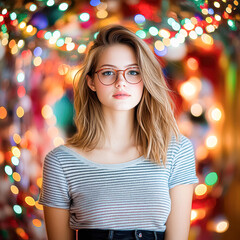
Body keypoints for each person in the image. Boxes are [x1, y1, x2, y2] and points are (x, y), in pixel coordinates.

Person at [38, 25, 199, 240]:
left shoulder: (177, 150)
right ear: (91, 82)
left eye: (133, 72)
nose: (121, 81)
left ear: (146, 80)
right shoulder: (61, 162)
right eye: (108, 72)